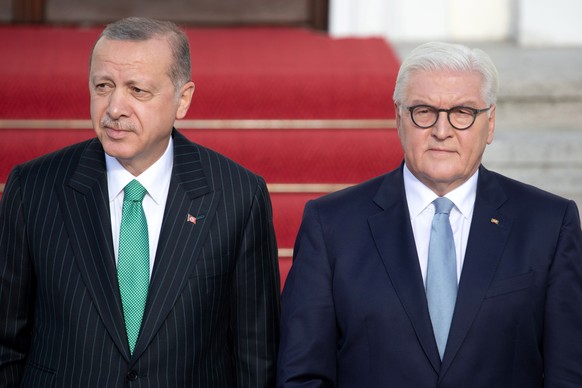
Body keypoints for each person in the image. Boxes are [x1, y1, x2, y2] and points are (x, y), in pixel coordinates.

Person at [277, 42, 582, 387]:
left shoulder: (550, 224)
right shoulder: (330, 225)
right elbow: (302, 375)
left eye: (462, 112)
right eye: (424, 111)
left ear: (490, 122)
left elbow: (568, 373)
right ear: (398, 117)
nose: (442, 130)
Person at [0, 17, 280, 387]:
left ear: (183, 100)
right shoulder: (33, 189)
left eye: (137, 91)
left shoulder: (238, 196)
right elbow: (6, 343)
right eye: (103, 86)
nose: (115, 107)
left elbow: (256, 357)